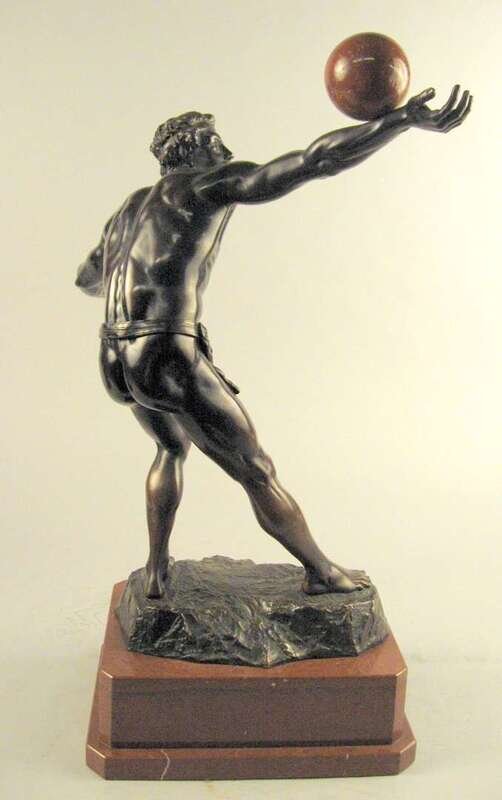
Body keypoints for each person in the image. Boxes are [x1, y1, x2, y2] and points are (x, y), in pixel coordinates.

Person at [76, 87, 471, 598]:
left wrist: (134, 278)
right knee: (256, 469)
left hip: (112, 356)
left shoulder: (129, 208)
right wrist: (398, 121)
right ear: (191, 149)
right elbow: (315, 161)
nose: (225, 150)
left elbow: (87, 277)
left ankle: (156, 571)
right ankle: (321, 572)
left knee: (170, 447)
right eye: (214, 141)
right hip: (163, 352)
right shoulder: (205, 185)